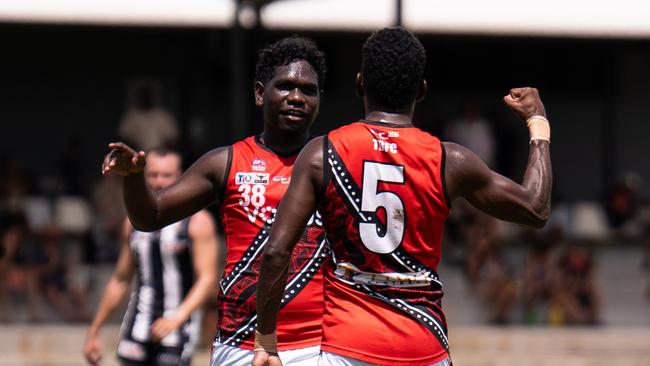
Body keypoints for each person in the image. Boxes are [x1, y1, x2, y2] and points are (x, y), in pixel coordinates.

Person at [254, 27, 552, 366]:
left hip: (347, 346)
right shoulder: (450, 161)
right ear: (421, 90)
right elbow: (535, 208)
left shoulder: (322, 154)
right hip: (423, 347)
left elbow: (277, 252)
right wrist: (537, 122)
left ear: (359, 84)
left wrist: (266, 342)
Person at [99, 37, 328, 366]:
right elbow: (150, 216)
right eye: (286, 87)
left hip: (315, 345)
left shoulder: (336, 163)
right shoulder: (226, 162)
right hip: (240, 343)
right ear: (260, 93)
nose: (297, 98)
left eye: (309, 90)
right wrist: (134, 178)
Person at [84, 148, 219, 366]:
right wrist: (95, 329)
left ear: (180, 176)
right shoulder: (133, 223)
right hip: (137, 324)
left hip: (177, 329)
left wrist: (177, 317)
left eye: (166, 175)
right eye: (153, 175)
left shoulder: (197, 222)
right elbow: (121, 278)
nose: (159, 182)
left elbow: (207, 279)